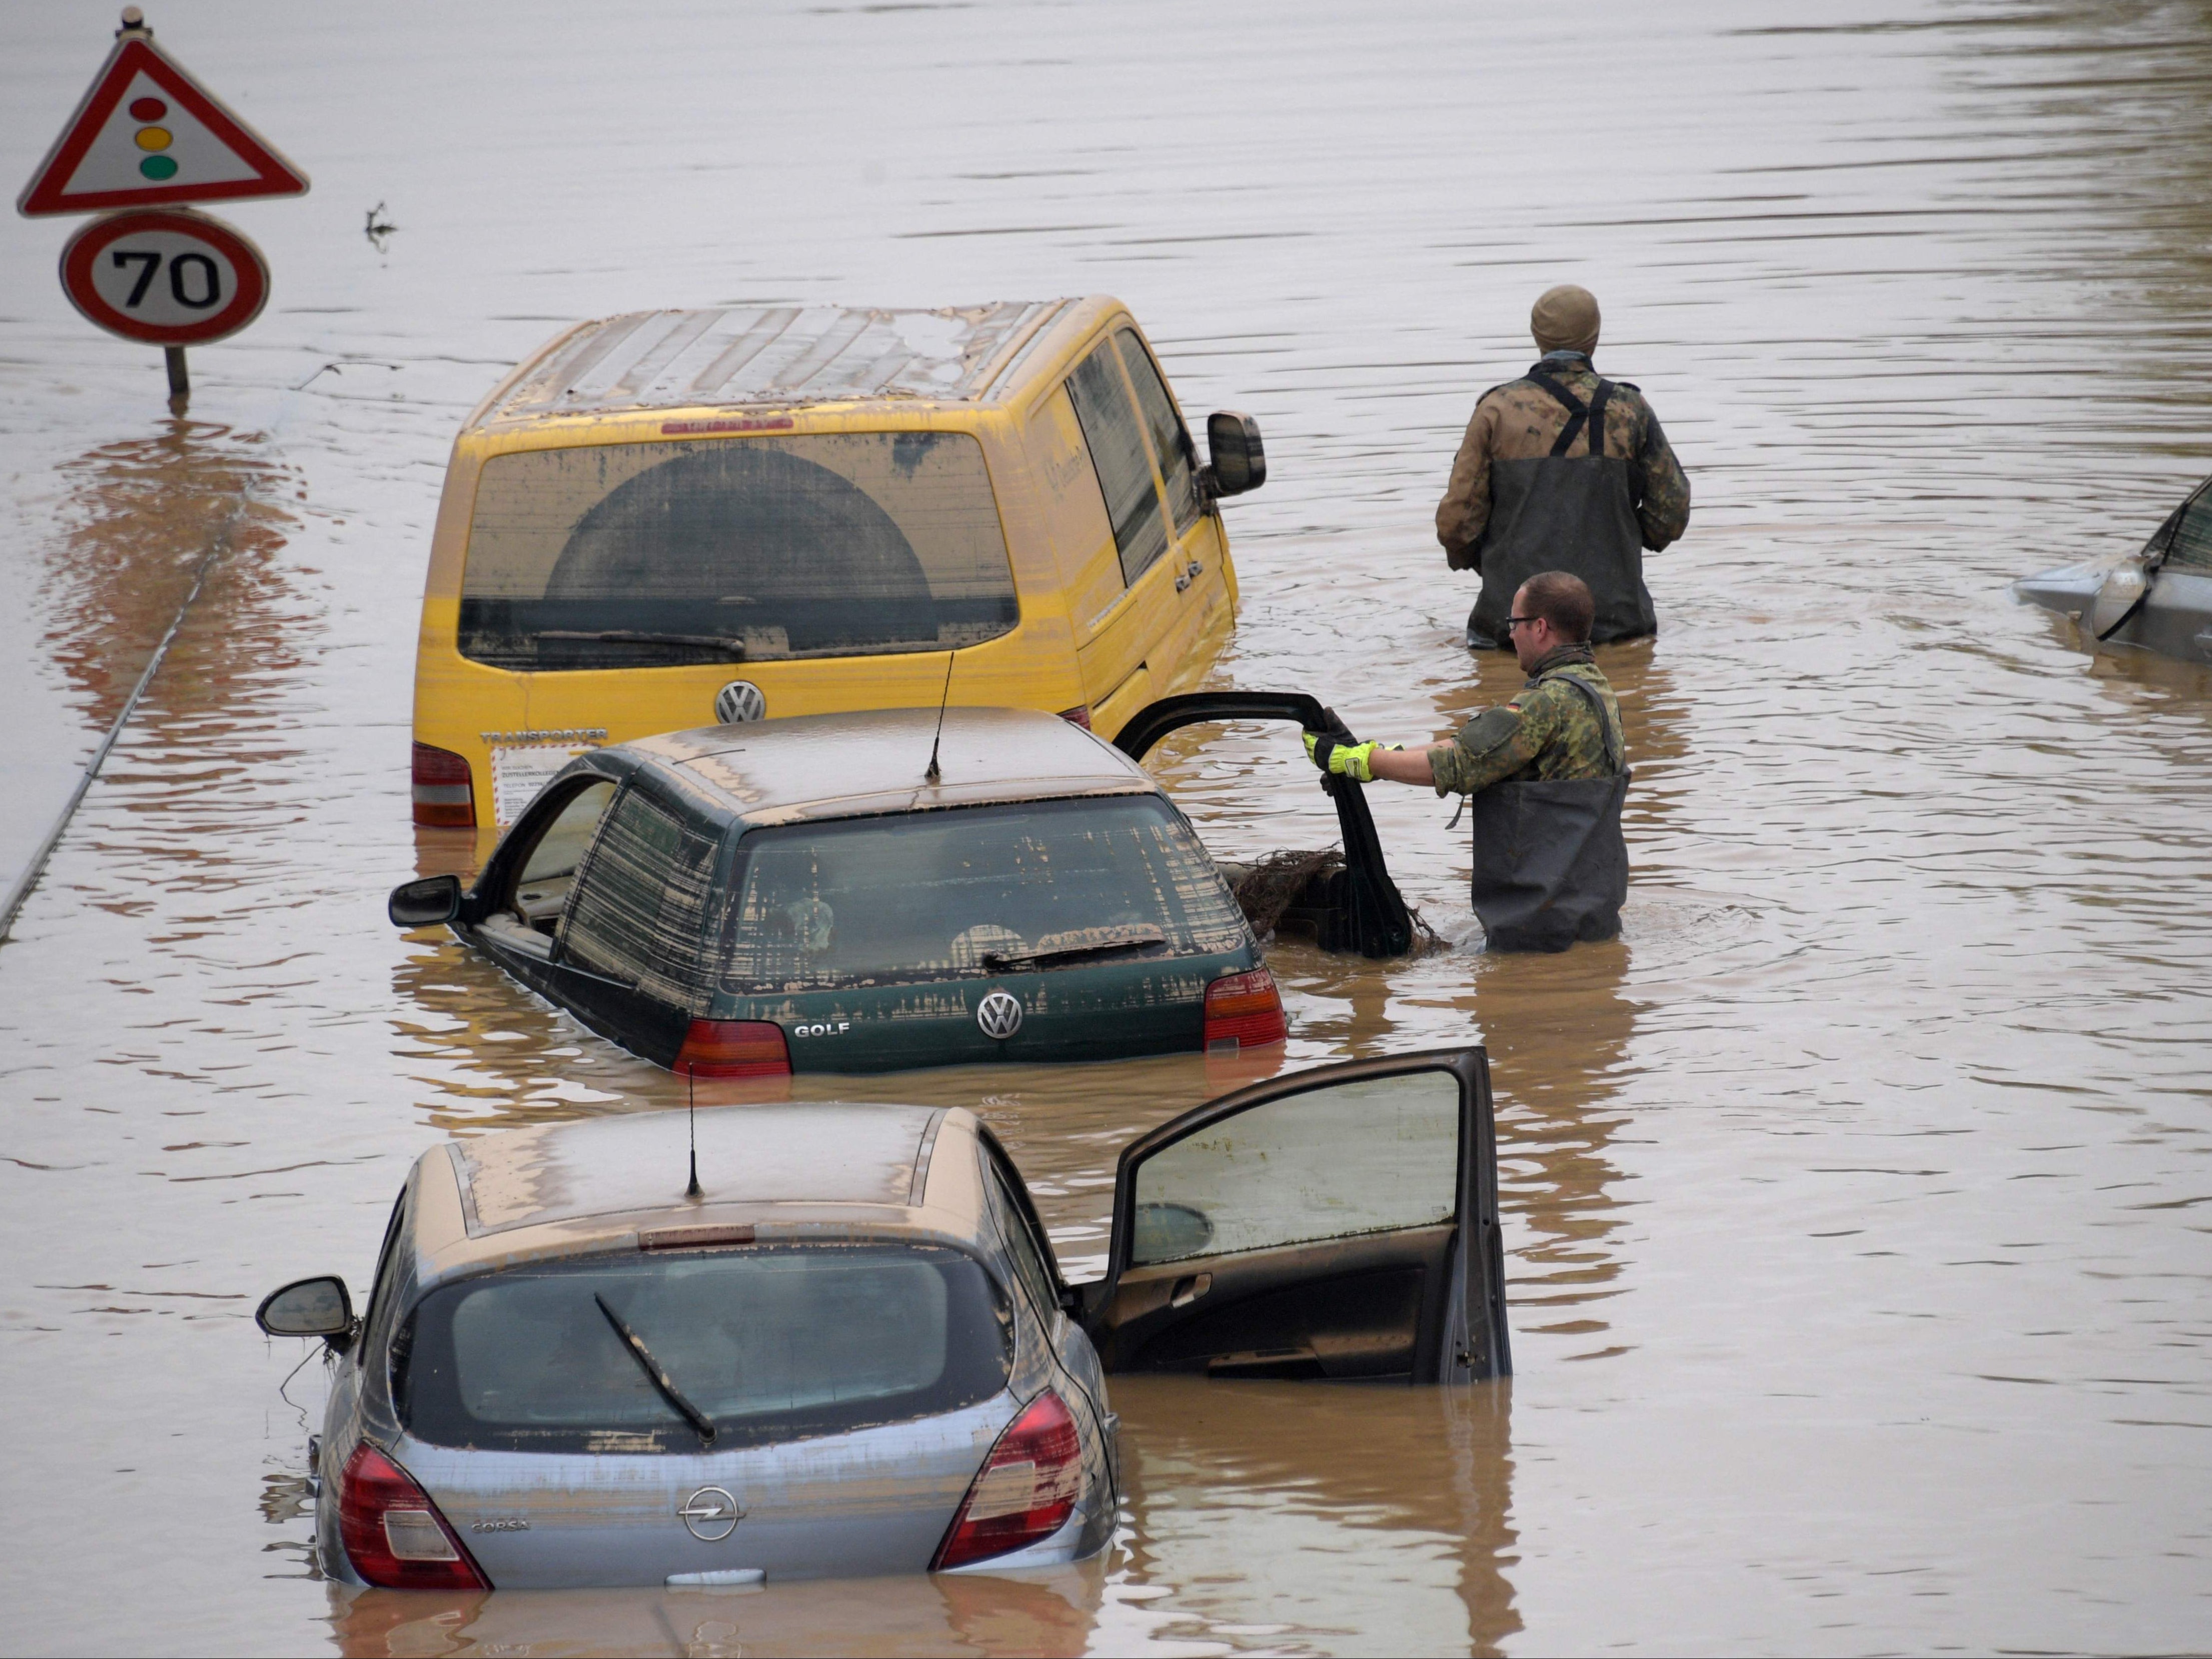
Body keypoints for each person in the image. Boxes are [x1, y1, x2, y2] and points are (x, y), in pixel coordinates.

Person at [1304, 571, 1629, 952]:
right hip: (1593, 911)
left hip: (1539, 927)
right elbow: (1469, 746)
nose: (1510, 634)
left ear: (1540, 628)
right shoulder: (1597, 688)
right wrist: (1376, 756)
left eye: (1515, 623)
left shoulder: (1546, 703)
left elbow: (1457, 764)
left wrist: (1361, 763)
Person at [1436, 285, 1690, 649]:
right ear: (1595, 337)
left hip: (1513, 630)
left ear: (1537, 335)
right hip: (1618, 625)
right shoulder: (1630, 410)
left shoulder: (1496, 410)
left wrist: (1488, 562)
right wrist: (1625, 540)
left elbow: (1457, 524)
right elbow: (1671, 513)